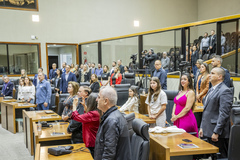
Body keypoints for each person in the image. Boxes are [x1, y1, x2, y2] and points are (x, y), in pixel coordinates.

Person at [199, 67, 233, 158]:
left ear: (219, 77)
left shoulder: (225, 91)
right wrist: (202, 127)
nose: (209, 75)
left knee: (220, 157)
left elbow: (224, 114)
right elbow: (206, 111)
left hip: (218, 134)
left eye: (213, 73)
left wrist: (217, 132)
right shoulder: (211, 89)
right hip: (209, 130)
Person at [95, 86, 131, 160]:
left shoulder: (112, 120)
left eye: (98, 97)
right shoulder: (112, 116)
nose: (96, 100)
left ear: (105, 101)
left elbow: (109, 153)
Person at [71, 93, 101, 158]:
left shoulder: (93, 114)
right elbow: (87, 117)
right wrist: (85, 106)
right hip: (94, 141)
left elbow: (76, 117)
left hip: (91, 142)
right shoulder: (97, 112)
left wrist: (74, 106)